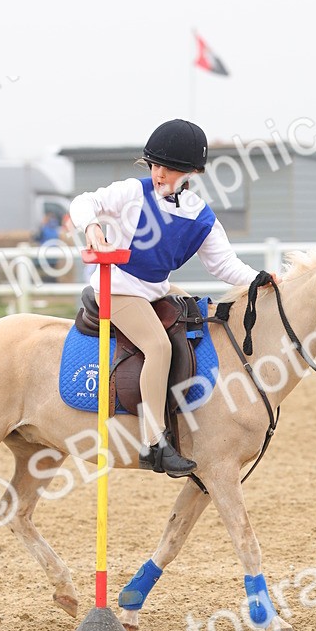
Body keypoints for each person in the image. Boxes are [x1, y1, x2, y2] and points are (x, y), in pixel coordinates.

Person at [69, 119, 259, 476]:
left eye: (169, 168)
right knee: (158, 346)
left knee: (199, 312)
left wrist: (261, 279)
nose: (159, 173)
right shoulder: (130, 193)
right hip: (119, 286)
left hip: (155, 290)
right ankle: (155, 442)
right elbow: (84, 201)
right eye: (155, 165)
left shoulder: (198, 214)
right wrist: (92, 226)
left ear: (190, 173)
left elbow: (224, 265)